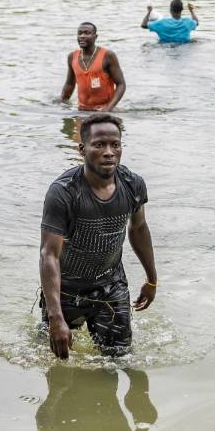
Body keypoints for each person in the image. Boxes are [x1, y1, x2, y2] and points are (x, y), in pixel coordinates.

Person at [39, 114, 158, 359]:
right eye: (99, 144)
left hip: (111, 289)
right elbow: (49, 254)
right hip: (66, 292)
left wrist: (152, 280)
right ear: (82, 149)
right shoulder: (63, 193)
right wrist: (55, 317)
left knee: (120, 361)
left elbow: (139, 228)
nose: (109, 152)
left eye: (115, 144)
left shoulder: (133, 185)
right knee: (57, 367)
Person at [61, 22, 125, 112]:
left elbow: (121, 84)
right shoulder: (72, 56)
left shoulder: (108, 56)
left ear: (95, 36)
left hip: (104, 109)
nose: (82, 36)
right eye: (80, 33)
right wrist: (62, 103)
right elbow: (69, 84)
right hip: (82, 109)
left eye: (87, 33)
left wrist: (108, 108)